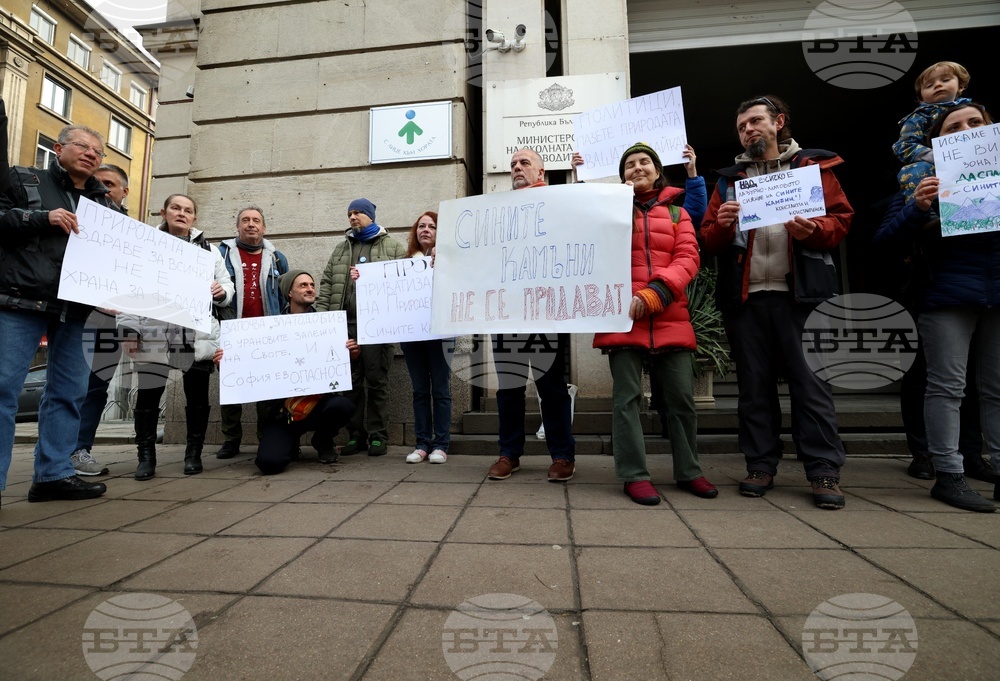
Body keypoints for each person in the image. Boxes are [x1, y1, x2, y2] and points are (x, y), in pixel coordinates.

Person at [700, 95, 853, 510]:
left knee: (812, 387)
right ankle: (760, 466)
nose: (748, 130)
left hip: (802, 297)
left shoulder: (811, 169)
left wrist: (813, 230)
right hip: (747, 300)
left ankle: (823, 471)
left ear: (778, 122)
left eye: (755, 122)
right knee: (753, 388)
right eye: (741, 126)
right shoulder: (728, 181)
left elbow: (840, 221)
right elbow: (708, 239)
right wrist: (722, 224)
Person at [876, 102, 999, 513]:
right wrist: (918, 208)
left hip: (996, 293)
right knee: (947, 387)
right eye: (953, 127)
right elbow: (884, 242)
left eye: (975, 123)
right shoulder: (918, 181)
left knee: (996, 390)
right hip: (946, 294)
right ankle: (949, 474)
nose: (965, 129)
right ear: (938, 141)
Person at [589, 142, 718, 505]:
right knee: (625, 400)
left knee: (681, 401)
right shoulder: (608, 214)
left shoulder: (678, 214)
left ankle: (689, 471)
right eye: (629, 164)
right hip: (622, 318)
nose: (637, 168)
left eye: (644, 162)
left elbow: (688, 257)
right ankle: (633, 475)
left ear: (658, 170)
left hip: (668, 314)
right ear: (623, 176)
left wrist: (655, 293)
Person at [0, 123, 118, 505]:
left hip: (79, 311)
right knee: (3, 388)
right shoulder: (23, 179)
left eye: (97, 152)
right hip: (21, 301)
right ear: (58, 148)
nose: (90, 154)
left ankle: (53, 475)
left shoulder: (107, 207)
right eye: (82, 146)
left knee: (70, 393)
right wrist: (40, 218)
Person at [118, 194, 234, 480]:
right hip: (155, 329)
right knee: (148, 395)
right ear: (164, 211)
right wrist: (128, 329)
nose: (182, 213)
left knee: (197, 395)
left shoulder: (209, 251)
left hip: (193, 331)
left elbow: (227, 285)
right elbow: (128, 288)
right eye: (175, 208)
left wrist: (222, 292)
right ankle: (145, 457)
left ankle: (193, 454)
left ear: (194, 217)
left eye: (188, 210)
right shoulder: (145, 246)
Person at [487, 148, 576, 483]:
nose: (516, 168)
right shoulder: (495, 212)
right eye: (512, 164)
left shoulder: (557, 203)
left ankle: (562, 454)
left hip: (544, 312)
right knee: (508, 388)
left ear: (541, 172)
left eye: (524, 163)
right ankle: (509, 454)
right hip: (508, 313)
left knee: (551, 387)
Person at [215, 270, 358, 475]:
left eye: (312, 285)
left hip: (318, 407)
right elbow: (248, 367)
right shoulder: (269, 329)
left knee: (343, 405)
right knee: (268, 464)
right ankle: (289, 442)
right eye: (303, 285)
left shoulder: (328, 326)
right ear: (289, 293)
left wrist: (352, 355)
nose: (310, 289)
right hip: (282, 414)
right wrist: (225, 362)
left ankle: (323, 439)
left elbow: (339, 369)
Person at [315, 198, 406, 457]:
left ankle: (378, 435)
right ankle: (356, 435)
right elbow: (326, 285)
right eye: (350, 213)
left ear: (371, 216)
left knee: (377, 381)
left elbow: (403, 283)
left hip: (378, 327)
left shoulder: (392, 247)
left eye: (358, 213)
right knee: (352, 383)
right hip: (346, 326)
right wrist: (323, 321)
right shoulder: (341, 249)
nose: (353, 217)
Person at [215, 206, 290, 459]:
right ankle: (231, 439)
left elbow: (283, 296)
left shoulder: (277, 258)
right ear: (237, 226)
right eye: (245, 220)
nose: (251, 224)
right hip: (231, 331)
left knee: (266, 392)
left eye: (256, 220)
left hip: (265, 333)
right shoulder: (221, 254)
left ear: (264, 228)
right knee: (231, 390)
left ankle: (264, 438)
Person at [70, 163, 130, 477]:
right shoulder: (77, 216)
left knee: (96, 388)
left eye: (109, 184)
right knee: (67, 385)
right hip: (76, 316)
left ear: (124, 192)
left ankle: (80, 450)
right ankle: (56, 453)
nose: (104, 189)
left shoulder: (133, 232)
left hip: (112, 322)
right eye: (99, 183)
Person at [401, 211, 453, 464]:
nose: (426, 230)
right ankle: (422, 444)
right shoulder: (403, 264)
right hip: (412, 335)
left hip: (440, 334)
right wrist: (362, 278)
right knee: (420, 390)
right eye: (421, 225)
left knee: (441, 390)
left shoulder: (450, 260)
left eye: (432, 226)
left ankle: (441, 445)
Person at [894, 61, 970, 204]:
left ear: (960, 86)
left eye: (946, 80)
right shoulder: (918, 117)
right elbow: (904, 146)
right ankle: (925, 210)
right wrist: (939, 157)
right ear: (921, 99)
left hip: (975, 162)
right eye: (929, 85)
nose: (938, 85)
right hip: (936, 166)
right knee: (912, 171)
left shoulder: (974, 111)